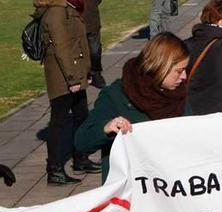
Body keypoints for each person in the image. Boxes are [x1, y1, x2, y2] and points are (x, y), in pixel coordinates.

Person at [75, 33, 190, 183]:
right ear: (160, 66)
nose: (184, 76)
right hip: (131, 191)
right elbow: (81, 141)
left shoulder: (181, 94)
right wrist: (106, 128)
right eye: (179, 71)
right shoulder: (116, 96)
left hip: (171, 189)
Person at [34, 0, 100, 185]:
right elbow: (62, 48)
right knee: (59, 121)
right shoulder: (56, 11)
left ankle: (80, 157)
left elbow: (78, 44)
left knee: (81, 116)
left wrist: (86, 72)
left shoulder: (69, 6)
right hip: (62, 75)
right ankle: (54, 170)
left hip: (75, 71)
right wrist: (72, 79)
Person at [63, 0, 105, 88]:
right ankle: (81, 76)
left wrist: (90, 7)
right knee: (77, 51)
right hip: (73, 22)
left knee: (94, 50)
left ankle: (96, 73)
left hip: (91, 19)